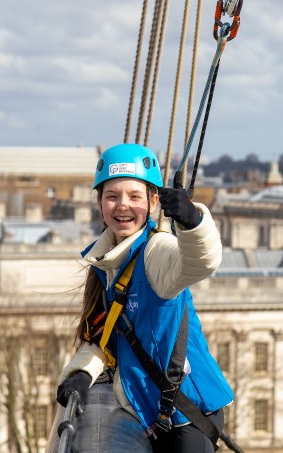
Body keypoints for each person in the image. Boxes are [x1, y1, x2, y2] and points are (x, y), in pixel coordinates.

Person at [54, 143, 233, 453]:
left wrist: (191, 221)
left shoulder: (156, 251)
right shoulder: (107, 265)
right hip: (148, 410)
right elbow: (104, 338)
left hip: (188, 412)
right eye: (112, 196)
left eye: (134, 197)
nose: (123, 206)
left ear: (153, 203)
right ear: (100, 204)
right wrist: (82, 374)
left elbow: (201, 262)